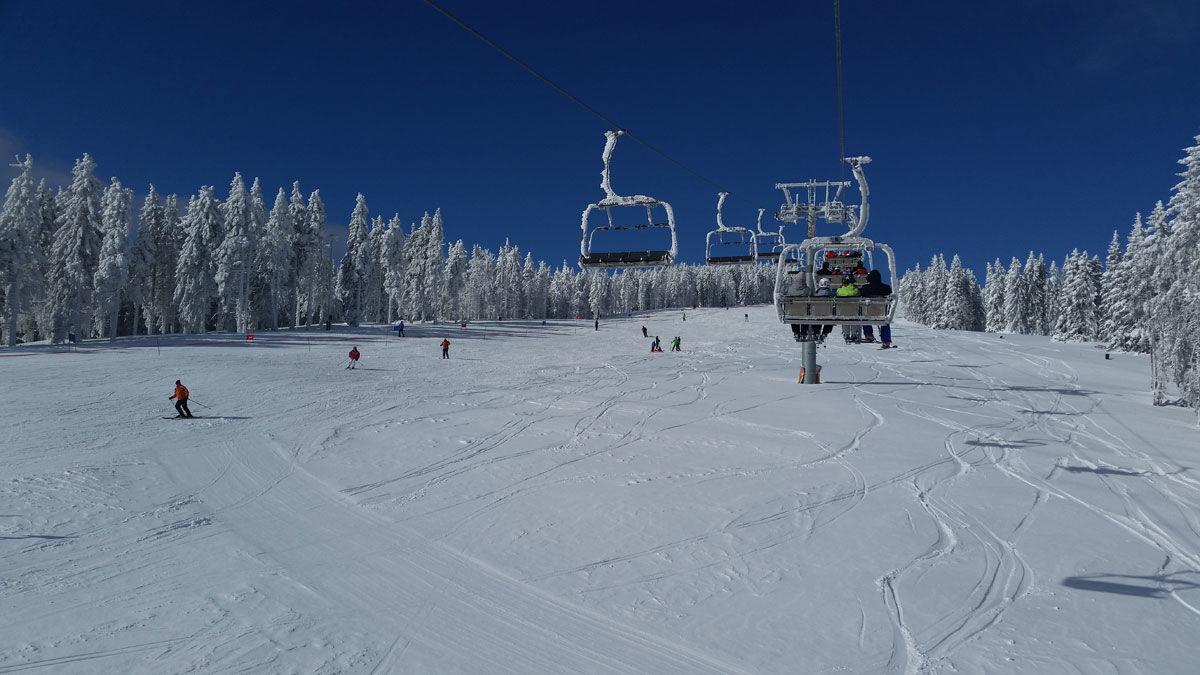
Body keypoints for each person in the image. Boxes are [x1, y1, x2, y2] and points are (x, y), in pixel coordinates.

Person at [859, 269, 894, 348]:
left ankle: (868, 334)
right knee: (885, 321)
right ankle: (886, 341)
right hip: (881, 312)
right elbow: (890, 297)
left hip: (868, 313)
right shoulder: (886, 288)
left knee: (864, 316)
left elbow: (860, 296)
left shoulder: (865, 288)